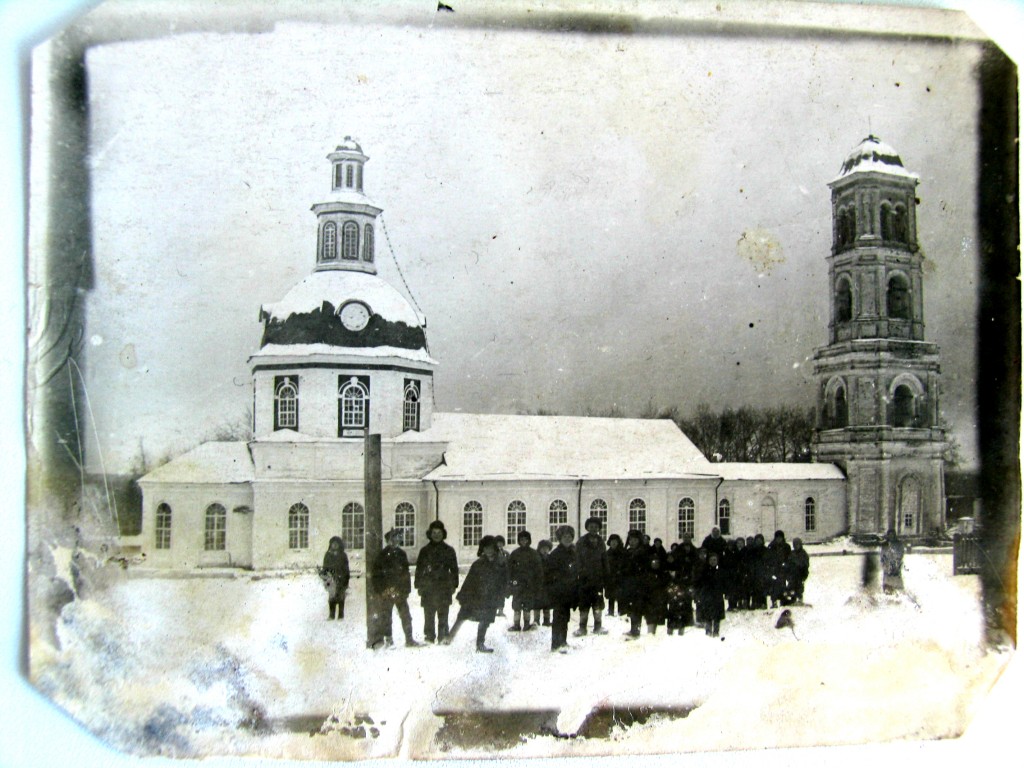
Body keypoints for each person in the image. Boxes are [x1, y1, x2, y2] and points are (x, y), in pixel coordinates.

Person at [445, 535, 507, 652]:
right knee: (462, 616)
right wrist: (463, 596)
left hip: (490, 598)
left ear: (494, 548)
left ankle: (480, 644)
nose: (488, 551)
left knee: (485, 620)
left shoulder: (501, 564)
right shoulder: (478, 564)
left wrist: (501, 598)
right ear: (482, 549)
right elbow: (469, 581)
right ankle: (449, 637)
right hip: (475, 596)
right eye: (485, 548)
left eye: (490, 548)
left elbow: (503, 582)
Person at [371, 529, 421, 647]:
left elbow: (405, 573)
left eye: (398, 538)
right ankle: (389, 640)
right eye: (393, 538)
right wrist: (382, 590)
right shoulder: (382, 555)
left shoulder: (401, 554)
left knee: (406, 615)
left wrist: (406, 590)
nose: (396, 540)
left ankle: (409, 639)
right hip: (386, 591)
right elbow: (376, 575)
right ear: (388, 540)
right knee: (386, 616)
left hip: (400, 591)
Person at [414, 520, 459, 643]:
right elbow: (419, 569)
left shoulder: (449, 550)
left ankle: (442, 635)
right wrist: (418, 585)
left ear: (443, 534)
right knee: (428, 612)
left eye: (439, 532)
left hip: (444, 586)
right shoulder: (424, 551)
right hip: (428, 586)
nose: (436, 535)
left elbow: (454, 569)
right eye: (434, 532)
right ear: (430, 534)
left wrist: (454, 584)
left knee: (443, 612)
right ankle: (429, 636)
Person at [545, 525, 579, 652]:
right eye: (565, 536)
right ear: (559, 538)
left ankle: (563, 641)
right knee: (558, 617)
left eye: (570, 536)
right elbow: (549, 573)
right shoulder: (555, 554)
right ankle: (555, 644)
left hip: (569, 590)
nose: (568, 539)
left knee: (565, 616)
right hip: (558, 591)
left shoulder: (573, 552)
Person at [574, 517, 609, 636]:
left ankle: (598, 626)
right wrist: (580, 572)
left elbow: (605, 560)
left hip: (598, 579)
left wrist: (606, 575)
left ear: (599, 528)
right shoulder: (581, 542)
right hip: (584, 580)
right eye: (591, 526)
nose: (593, 529)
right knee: (584, 604)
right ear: (587, 528)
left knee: (597, 604)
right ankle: (582, 627)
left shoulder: (601, 542)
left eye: (596, 527)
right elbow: (577, 559)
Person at [507, 530, 543, 631]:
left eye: (525, 539)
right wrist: (510, 582)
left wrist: (537, 584)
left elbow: (538, 570)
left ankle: (527, 624)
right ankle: (516, 624)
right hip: (517, 584)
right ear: (519, 541)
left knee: (527, 605)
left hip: (529, 584)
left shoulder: (533, 554)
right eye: (521, 539)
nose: (524, 541)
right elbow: (509, 569)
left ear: (529, 540)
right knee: (517, 606)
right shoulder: (515, 554)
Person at [619, 529, 650, 639]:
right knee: (632, 608)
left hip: (639, 585)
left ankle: (636, 631)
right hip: (629, 584)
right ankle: (633, 629)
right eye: (630, 539)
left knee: (637, 607)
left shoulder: (642, 552)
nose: (632, 542)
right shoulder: (627, 552)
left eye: (635, 540)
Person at [696, 551, 726, 637]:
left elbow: (724, 583)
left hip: (717, 596)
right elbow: (699, 583)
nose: (713, 562)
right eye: (711, 560)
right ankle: (708, 631)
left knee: (717, 616)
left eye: (715, 560)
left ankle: (716, 631)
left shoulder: (720, 571)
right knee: (707, 615)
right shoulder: (704, 571)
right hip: (707, 596)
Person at [321, 536, 350, 620]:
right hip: (331, 578)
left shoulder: (343, 555)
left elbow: (346, 568)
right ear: (330, 545)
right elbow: (325, 567)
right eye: (333, 544)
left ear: (339, 545)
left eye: (336, 544)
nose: (334, 546)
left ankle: (341, 615)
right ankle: (331, 615)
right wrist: (325, 577)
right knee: (332, 597)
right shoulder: (328, 555)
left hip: (341, 579)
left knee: (341, 597)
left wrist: (346, 579)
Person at [766, 530, 792, 608]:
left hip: (783, 569)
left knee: (783, 585)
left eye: (780, 537)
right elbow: (769, 557)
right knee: (774, 586)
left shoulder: (786, 546)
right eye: (777, 537)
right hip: (774, 569)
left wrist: (786, 565)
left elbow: (789, 557)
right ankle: (774, 601)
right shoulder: (771, 546)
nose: (779, 539)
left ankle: (783, 600)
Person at [605, 533, 626, 616]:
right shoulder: (607, 553)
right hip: (610, 578)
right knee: (611, 596)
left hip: (620, 577)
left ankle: (621, 612)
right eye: (612, 541)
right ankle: (611, 612)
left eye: (615, 541)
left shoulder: (622, 553)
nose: (613, 543)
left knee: (620, 596)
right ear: (609, 543)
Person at [880, 528, 905, 594]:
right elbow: (882, 554)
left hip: (895, 564)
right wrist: (884, 562)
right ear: (887, 535)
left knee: (896, 577)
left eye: (892, 534)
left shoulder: (899, 544)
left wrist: (897, 559)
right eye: (889, 535)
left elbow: (901, 553)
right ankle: (887, 590)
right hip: (887, 564)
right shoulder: (885, 544)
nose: (891, 536)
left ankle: (898, 590)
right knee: (887, 578)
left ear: (894, 535)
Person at [536, 540, 554, 626]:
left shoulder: (551, 558)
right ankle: (536, 620)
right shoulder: (536, 558)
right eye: (543, 548)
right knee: (537, 603)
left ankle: (546, 620)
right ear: (539, 549)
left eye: (547, 548)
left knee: (547, 603)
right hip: (538, 584)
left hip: (547, 584)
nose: (545, 550)